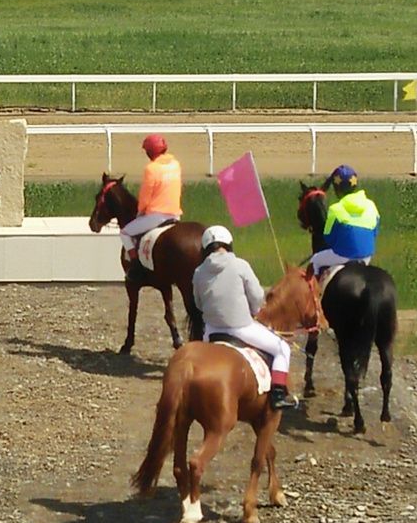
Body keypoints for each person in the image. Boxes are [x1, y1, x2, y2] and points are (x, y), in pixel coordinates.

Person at [191, 225, 298, 410]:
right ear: (229, 244)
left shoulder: (199, 272)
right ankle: (278, 394)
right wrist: (255, 310)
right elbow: (257, 296)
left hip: (211, 331)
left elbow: (199, 304)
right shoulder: (240, 265)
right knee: (282, 349)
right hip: (240, 327)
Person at [119, 134, 184, 268]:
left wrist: (140, 212)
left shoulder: (151, 168)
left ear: (150, 151)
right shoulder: (175, 164)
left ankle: (135, 265)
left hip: (156, 216)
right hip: (175, 214)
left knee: (124, 233)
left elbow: (145, 196)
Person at [307, 165, 379, 281]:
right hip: (366, 256)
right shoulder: (371, 205)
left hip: (343, 255)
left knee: (315, 260)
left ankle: (316, 293)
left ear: (336, 189)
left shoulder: (335, 209)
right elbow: (375, 232)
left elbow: (328, 238)